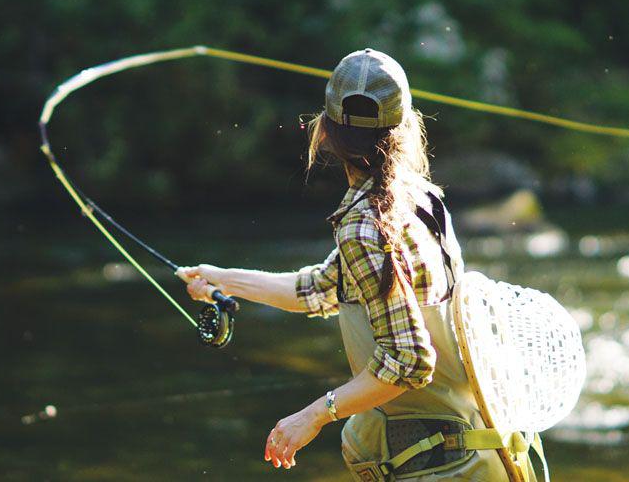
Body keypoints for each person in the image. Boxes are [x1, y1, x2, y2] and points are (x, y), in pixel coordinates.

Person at [177, 49, 508, 480]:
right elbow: (319, 289)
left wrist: (314, 415)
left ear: (326, 131)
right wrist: (222, 279)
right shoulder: (419, 198)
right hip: (477, 448)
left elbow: (409, 361)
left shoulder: (365, 226)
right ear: (405, 125)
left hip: (438, 465)